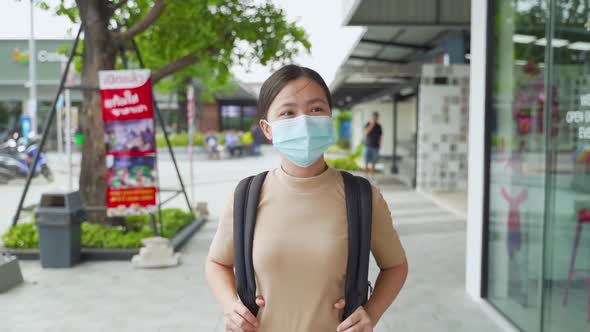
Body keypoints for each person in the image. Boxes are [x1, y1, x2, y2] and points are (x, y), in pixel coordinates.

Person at [205, 65, 408, 332]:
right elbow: (217, 262)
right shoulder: (246, 196)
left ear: (329, 118)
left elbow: (395, 266)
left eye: (316, 109)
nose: (304, 121)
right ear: (268, 129)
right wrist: (231, 305)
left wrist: (372, 313)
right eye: (288, 112)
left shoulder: (361, 196)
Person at [364, 112, 382, 181]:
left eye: (376, 117)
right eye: (374, 117)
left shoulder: (379, 126)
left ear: (377, 118)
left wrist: (380, 144)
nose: (375, 119)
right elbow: (366, 132)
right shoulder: (368, 124)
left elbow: (380, 136)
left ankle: (372, 178)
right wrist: (372, 124)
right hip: (368, 146)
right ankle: (365, 178)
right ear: (372, 117)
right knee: (366, 162)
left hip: (375, 147)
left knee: (373, 163)